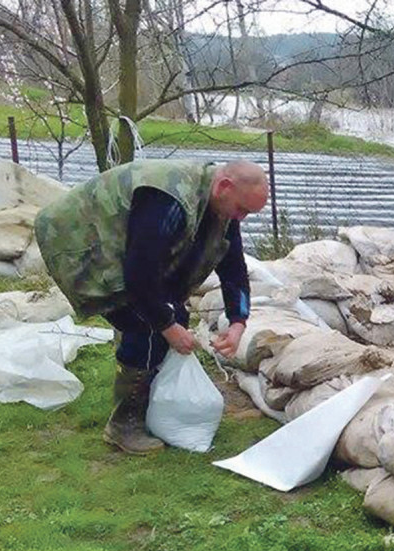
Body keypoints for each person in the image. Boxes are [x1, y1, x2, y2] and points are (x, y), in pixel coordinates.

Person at [34, 159, 268, 455]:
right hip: (82, 242)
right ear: (224, 187)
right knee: (143, 324)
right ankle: (124, 424)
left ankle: (149, 401)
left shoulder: (221, 206)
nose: (242, 219)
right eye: (243, 209)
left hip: (130, 249)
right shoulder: (167, 199)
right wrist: (168, 327)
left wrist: (238, 321)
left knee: (172, 315)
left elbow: (233, 267)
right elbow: (140, 277)